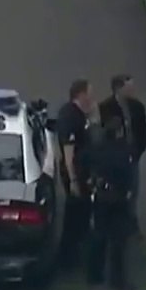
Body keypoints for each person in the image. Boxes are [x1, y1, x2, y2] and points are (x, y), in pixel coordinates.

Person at [86, 114, 135, 290]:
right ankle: (117, 280)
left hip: (101, 196)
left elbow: (89, 165)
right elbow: (127, 175)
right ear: (119, 131)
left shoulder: (98, 148)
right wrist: (128, 192)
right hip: (118, 198)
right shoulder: (124, 151)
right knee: (118, 241)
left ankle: (94, 275)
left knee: (98, 235)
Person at [98, 74, 146, 235]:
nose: (133, 90)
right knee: (116, 191)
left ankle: (131, 223)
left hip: (132, 156)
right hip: (115, 159)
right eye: (129, 87)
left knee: (133, 190)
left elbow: (144, 132)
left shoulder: (137, 107)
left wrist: (137, 152)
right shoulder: (105, 108)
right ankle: (114, 224)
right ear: (118, 89)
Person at [56, 79, 99, 267]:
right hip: (76, 174)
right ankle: (68, 256)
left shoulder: (78, 114)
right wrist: (73, 180)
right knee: (75, 214)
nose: (92, 97)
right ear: (81, 95)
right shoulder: (71, 117)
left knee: (83, 211)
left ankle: (76, 249)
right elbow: (68, 152)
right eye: (90, 93)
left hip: (82, 172)